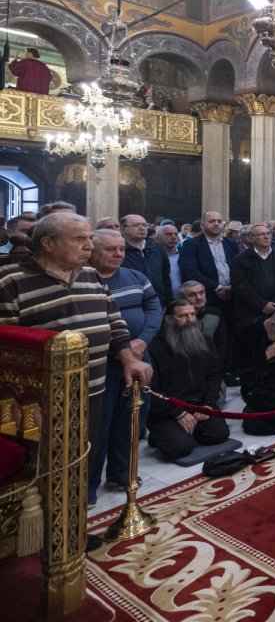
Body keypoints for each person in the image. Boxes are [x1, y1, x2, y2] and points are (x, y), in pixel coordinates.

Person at [0, 213, 152, 549]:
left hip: (93, 388)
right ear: (49, 243)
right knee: (46, 467)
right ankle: (40, 538)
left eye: (88, 238)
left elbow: (114, 321)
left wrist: (128, 357)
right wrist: (26, 401)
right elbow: (6, 349)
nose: (89, 246)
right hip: (40, 401)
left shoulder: (89, 275)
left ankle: (70, 529)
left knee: (81, 460)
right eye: (79, 239)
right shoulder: (10, 281)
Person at [88, 229, 163, 502]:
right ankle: (88, 485)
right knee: (98, 424)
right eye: (110, 249)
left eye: (121, 249)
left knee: (132, 419)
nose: (118, 254)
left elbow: (154, 306)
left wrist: (142, 341)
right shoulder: (85, 281)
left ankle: (121, 474)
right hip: (102, 366)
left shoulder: (136, 277)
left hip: (139, 358)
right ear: (92, 250)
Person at [146, 300, 229, 459]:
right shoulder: (155, 347)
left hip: (199, 405)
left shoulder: (205, 340)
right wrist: (178, 413)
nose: (190, 320)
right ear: (169, 319)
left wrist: (208, 405)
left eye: (192, 314)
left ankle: (181, 432)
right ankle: (164, 434)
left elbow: (214, 374)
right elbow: (151, 390)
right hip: (168, 410)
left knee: (219, 435)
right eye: (183, 316)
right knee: (180, 449)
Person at [237, 309, 275, 436]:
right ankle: (251, 411)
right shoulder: (247, 330)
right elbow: (239, 368)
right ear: (271, 323)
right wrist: (265, 356)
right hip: (258, 386)